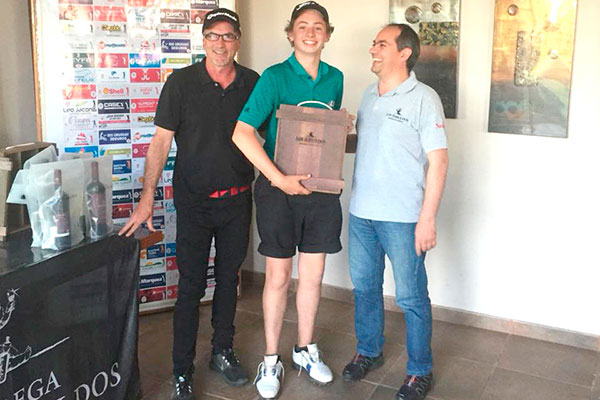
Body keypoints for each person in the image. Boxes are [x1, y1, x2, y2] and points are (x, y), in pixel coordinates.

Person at [118, 8, 259, 400]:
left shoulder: (253, 82)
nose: (220, 43)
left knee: (229, 280)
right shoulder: (180, 83)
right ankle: (182, 370)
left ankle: (222, 352)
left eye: (228, 36)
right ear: (203, 40)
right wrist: (147, 197)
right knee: (191, 286)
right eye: (213, 35)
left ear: (238, 41)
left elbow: (272, 132)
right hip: (195, 203)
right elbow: (161, 141)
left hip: (237, 200)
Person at [231, 2, 347, 399]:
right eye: (303, 26)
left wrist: (342, 131)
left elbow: (322, 137)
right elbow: (242, 133)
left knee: (312, 276)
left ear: (328, 34)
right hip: (278, 191)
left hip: (320, 193)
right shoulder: (274, 77)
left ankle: (304, 349)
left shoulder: (335, 78)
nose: (311, 32)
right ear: (290, 34)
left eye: (318, 26)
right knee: (279, 277)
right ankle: (270, 359)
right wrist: (279, 179)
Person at [341, 24, 448, 400]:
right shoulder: (369, 94)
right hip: (361, 214)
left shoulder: (425, 98)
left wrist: (427, 218)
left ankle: (420, 371)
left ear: (404, 53)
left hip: (403, 218)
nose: (372, 49)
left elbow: (439, 161)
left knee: (411, 298)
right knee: (365, 289)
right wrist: (336, 132)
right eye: (374, 43)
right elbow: (366, 145)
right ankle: (368, 350)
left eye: (381, 44)